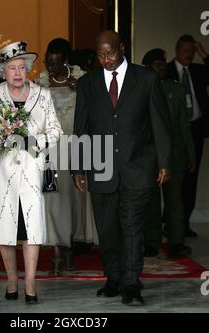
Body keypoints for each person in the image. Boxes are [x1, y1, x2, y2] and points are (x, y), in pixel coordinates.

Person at [72, 30, 172, 305]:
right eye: (101, 55)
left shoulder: (147, 79)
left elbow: (160, 125)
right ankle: (113, 278)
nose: (106, 59)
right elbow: (81, 128)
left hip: (138, 165)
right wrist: (78, 167)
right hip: (100, 165)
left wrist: (164, 162)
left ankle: (131, 283)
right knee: (107, 228)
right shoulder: (88, 84)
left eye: (111, 53)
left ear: (122, 48)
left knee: (131, 226)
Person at [0, 41, 62, 303]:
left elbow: (55, 130)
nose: (18, 72)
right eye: (12, 68)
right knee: (5, 227)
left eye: (22, 67)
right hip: (1, 173)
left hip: (32, 171)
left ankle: (31, 284)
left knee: (31, 228)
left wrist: (33, 142)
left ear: (29, 69)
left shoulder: (42, 95)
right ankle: (12, 279)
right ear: (4, 71)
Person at [36, 38, 97, 275]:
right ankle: (56, 252)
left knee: (74, 202)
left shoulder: (83, 79)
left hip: (76, 147)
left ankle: (71, 247)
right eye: (48, 63)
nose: (51, 68)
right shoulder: (39, 82)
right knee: (52, 201)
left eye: (56, 64)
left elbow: (96, 111)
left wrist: (82, 90)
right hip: (50, 150)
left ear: (66, 61)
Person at [142, 48, 196, 258]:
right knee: (151, 202)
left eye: (163, 64)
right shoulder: (141, 90)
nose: (162, 67)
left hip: (175, 155)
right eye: (157, 64)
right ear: (147, 68)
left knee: (175, 201)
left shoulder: (176, 89)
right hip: (149, 155)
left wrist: (191, 154)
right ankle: (151, 242)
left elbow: (184, 124)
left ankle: (176, 242)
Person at [167, 34, 209, 238]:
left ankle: (184, 224)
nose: (189, 55)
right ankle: (171, 223)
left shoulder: (198, 71)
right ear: (177, 51)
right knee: (174, 179)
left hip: (195, 129)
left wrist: (203, 53)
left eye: (192, 52)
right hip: (174, 133)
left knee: (192, 178)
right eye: (186, 51)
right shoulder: (165, 70)